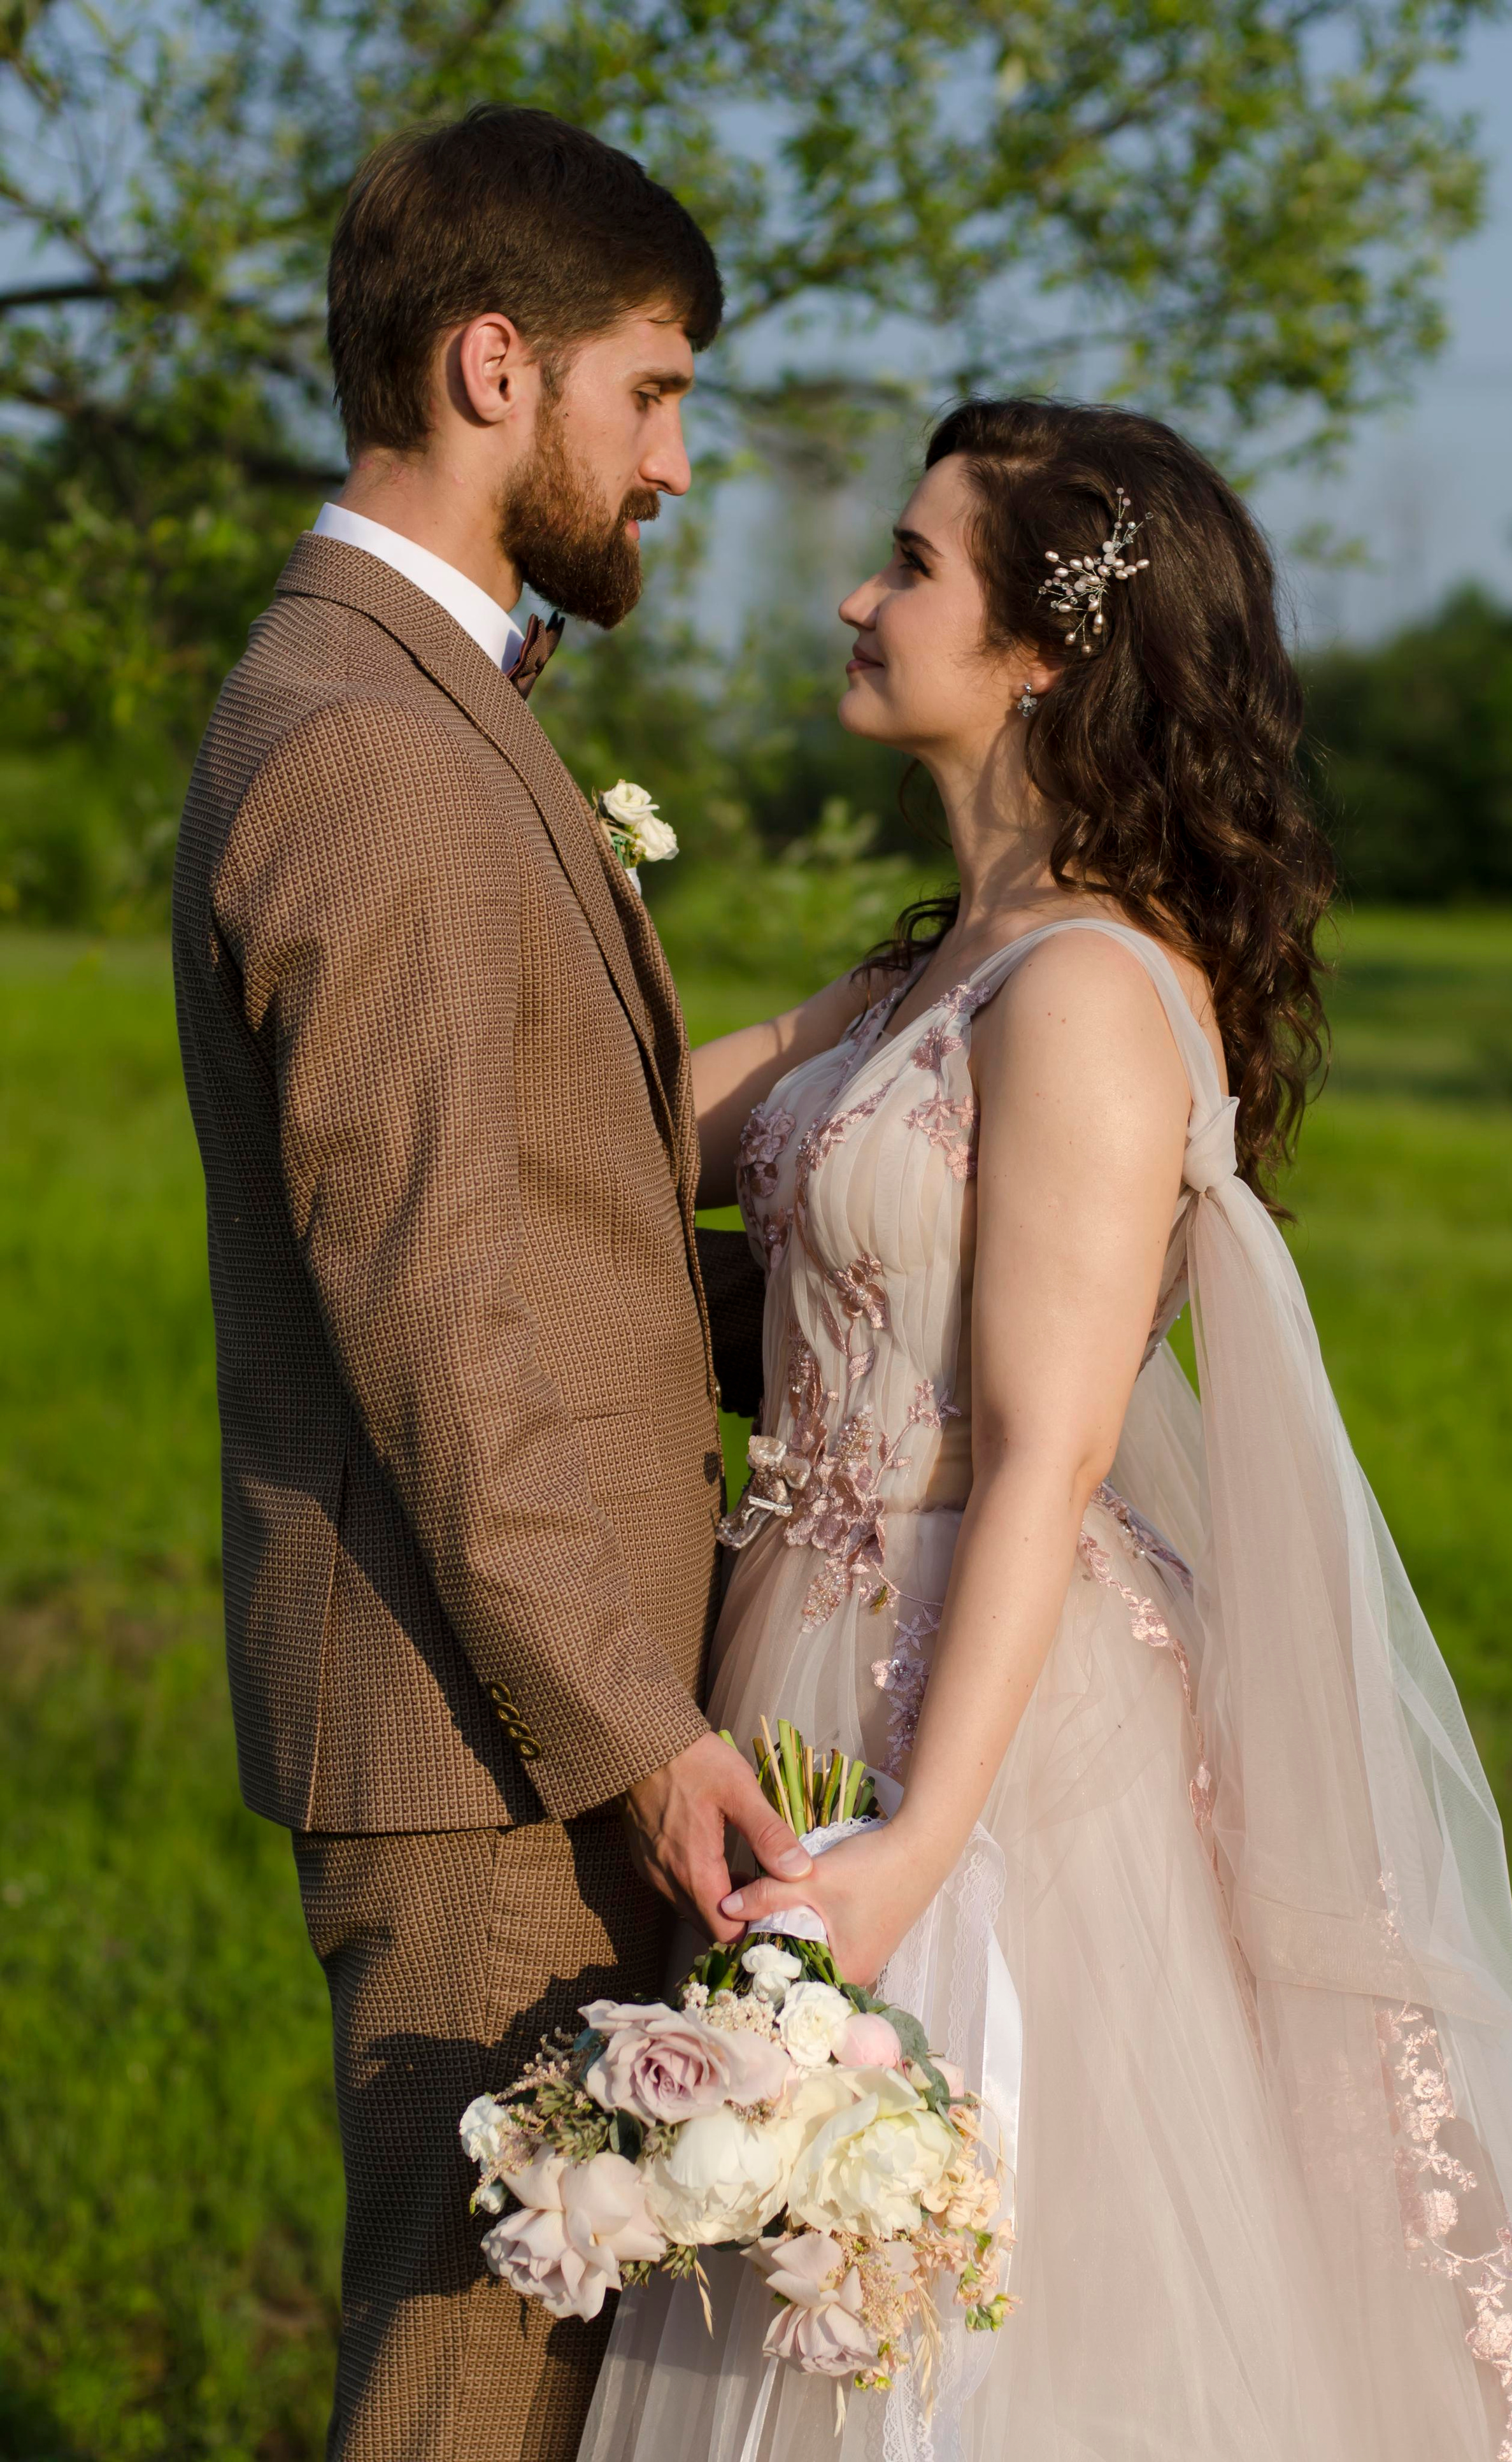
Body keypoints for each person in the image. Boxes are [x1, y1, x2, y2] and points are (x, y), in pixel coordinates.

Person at [575, 399, 1512, 2462]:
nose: (857, 598)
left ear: (1042, 649)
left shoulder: (1081, 988)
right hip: (790, 1646)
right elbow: (633, 1143)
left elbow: (1052, 1444)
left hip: (985, 1708)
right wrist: (552, 890)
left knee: (956, 2291)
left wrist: (914, 1852)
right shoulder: (935, 961)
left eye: (909, 564)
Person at [171, 105, 812, 2462]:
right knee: (468, 2392)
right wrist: (641, 1733)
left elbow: (559, 1221)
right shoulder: (363, 748)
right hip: (480, 1750)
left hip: (516, 1711)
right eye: (652, 395)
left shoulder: (430, 709)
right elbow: (441, 1323)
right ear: (490, 366)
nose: (674, 468)